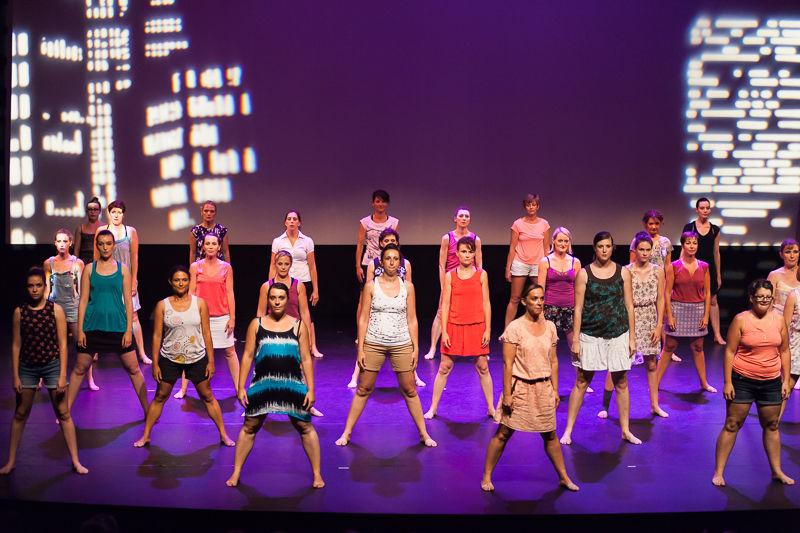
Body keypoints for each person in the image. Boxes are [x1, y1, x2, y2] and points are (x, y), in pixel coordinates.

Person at [335, 244, 436, 447]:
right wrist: (361, 349)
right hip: (374, 342)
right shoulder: (371, 286)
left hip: (401, 343)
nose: (391, 262)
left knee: (410, 390)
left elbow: (412, 319)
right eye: (388, 258)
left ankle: (424, 434)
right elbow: (363, 319)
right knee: (363, 389)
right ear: (381, 262)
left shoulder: (408, 287)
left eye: (395, 259)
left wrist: (415, 347)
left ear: (400, 263)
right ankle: (346, 433)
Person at [226, 282, 324, 488]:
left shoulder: (299, 326)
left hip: (292, 384)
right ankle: (236, 473)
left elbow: (306, 359)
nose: (277, 302)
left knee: (305, 427)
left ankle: (317, 474)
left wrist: (311, 390)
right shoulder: (257, 324)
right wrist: (240, 387)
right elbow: (248, 356)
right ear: (268, 300)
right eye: (273, 298)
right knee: (249, 427)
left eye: (281, 298)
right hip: (263, 384)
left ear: (287, 300)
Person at [481, 284, 578, 492]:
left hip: (543, 388)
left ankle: (563, 477)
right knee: (503, 433)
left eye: (541, 298)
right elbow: (507, 364)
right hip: (520, 388)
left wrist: (555, 390)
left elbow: (554, 361)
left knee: (550, 434)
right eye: (534, 298)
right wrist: (507, 394)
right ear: (524, 301)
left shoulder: (550, 327)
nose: (539, 302)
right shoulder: (515, 327)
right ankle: (486, 476)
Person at [133, 265, 235, 448]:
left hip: (196, 357)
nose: (181, 283)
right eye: (177, 280)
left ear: (189, 281)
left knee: (208, 396)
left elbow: (206, 333)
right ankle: (146, 435)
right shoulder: (163, 305)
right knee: (160, 396)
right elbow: (157, 336)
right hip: (170, 358)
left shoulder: (200, 304)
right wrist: (155, 364)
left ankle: (223, 434)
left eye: (184, 280)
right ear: (170, 282)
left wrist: (211, 361)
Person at [0, 268, 87, 475]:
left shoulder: (55, 310)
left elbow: (63, 344)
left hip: (52, 365)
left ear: (45, 286)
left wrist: (62, 375)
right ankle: (11, 461)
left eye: (38, 285)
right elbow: (16, 345)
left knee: (63, 413)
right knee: (21, 412)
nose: (34, 289)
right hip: (27, 366)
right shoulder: (19, 312)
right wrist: (15, 376)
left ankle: (76, 461)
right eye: (31, 286)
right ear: (26, 288)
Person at [559, 232, 641, 446]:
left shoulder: (623, 272)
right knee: (581, 382)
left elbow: (629, 306)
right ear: (595, 248)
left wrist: (632, 337)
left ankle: (625, 431)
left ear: (613, 248)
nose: (604, 250)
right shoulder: (584, 274)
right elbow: (578, 309)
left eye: (608, 246)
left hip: (618, 333)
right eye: (600, 246)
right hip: (590, 334)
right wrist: (576, 339)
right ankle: (568, 431)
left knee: (621, 382)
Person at [712, 279, 794, 486]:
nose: (764, 300)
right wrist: (728, 382)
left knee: (772, 425)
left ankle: (777, 471)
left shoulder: (779, 320)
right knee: (732, 424)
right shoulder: (741, 320)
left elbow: (785, 350)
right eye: (760, 297)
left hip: (771, 381)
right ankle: (719, 472)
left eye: (768, 297)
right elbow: (730, 351)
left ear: (772, 299)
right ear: (751, 298)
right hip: (743, 380)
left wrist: (785, 380)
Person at [67, 230, 149, 418]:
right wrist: (81, 330)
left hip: (117, 327)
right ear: (97, 246)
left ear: (113, 245)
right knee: (79, 369)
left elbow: (128, 302)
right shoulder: (89, 269)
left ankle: (148, 410)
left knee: (134, 369)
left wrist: (128, 330)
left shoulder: (123, 269)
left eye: (108, 243)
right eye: (101, 244)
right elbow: (83, 301)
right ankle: (64, 413)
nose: (105, 247)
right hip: (92, 327)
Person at [598, 233, 666, 418]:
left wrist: (659, 325)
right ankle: (605, 406)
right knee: (618, 364)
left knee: (651, 364)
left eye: (648, 250)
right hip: (629, 319)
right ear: (635, 250)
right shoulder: (625, 271)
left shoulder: (658, 271)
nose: (644, 253)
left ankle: (655, 405)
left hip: (649, 318)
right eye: (641, 249)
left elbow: (661, 299)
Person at [424, 236, 493, 419]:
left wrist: (487, 329)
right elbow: (445, 305)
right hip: (454, 326)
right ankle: (433, 408)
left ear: (475, 254)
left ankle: (491, 409)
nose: (467, 255)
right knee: (444, 367)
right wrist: (445, 331)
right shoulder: (450, 275)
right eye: (464, 251)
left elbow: (486, 303)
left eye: (470, 251)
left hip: (476, 326)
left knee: (483, 367)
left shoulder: (482, 274)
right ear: (457, 253)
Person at [347, 229, 425, 388]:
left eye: (393, 240)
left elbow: (409, 286)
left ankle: (414, 374)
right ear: (381, 243)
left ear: (398, 243)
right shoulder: (374, 264)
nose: (390, 243)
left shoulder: (405, 263)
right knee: (367, 345)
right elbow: (368, 289)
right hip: (378, 310)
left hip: (398, 308)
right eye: (387, 240)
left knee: (406, 346)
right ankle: (355, 375)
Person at [654, 231, 716, 415]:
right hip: (678, 308)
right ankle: (655, 383)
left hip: (697, 309)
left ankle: (704, 383)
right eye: (688, 243)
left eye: (694, 243)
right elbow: (667, 293)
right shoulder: (674, 266)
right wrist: (670, 315)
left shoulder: (704, 266)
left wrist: (706, 315)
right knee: (669, 347)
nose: (692, 246)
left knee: (698, 347)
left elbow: (707, 293)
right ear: (683, 245)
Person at [257, 250, 324, 417]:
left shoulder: (299, 286)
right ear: (275, 265)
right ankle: (257, 405)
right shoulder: (266, 286)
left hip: (293, 332)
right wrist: (259, 336)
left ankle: (308, 405)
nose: (283, 267)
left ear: (291, 265)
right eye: (280, 264)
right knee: (265, 369)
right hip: (273, 332)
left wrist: (307, 337)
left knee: (300, 369)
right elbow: (260, 313)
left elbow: (305, 313)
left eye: (286, 264)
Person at [178, 234, 240, 399]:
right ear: (203, 246)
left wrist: (232, 317)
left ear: (219, 247)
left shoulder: (226, 268)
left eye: (214, 243)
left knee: (230, 352)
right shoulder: (195, 267)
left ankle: (239, 389)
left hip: (221, 316)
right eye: (208, 243)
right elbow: (191, 291)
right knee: (191, 352)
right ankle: (183, 389)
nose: (211, 246)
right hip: (200, 316)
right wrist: (188, 313)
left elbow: (230, 293)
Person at [423, 207, 483, 360]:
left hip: (469, 280)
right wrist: (444, 286)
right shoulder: (447, 238)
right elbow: (441, 264)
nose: (464, 218)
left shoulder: (475, 239)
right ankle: (433, 348)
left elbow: (479, 265)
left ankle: (478, 349)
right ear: (455, 218)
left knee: (473, 314)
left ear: (469, 219)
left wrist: (478, 283)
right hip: (451, 280)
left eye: (466, 216)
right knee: (441, 312)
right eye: (461, 216)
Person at [96, 200, 151, 364]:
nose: (116, 215)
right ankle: (95, 351)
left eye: (119, 212)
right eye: (113, 212)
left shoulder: (130, 231)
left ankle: (142, 353)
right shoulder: (101, 231)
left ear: (123, 214)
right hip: (106, 279)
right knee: (101, 314)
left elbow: (134, 257)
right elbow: (96, 258)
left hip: (126, 280)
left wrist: (133, 281)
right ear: (109, 213)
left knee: (133, 316)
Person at [537, 227, 590, 393]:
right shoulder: (545, 261)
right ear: (553, 241)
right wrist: (539, 312)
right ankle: (544, 380)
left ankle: (582, 381)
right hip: (550, 308)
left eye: (566, 241)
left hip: (570, 308)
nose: (563, 244)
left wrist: (580, 309)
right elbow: (540, 289)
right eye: (560, 240)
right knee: (547, 346)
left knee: (575, 345)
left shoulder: (575, 262)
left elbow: (579, 288)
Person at [45, 229, 98, 391]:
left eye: (65, 241)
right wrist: (44, 309)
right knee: (50, 344)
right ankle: (42, 377)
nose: (62, 244)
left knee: (82, 343)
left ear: (70, 243)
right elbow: (47, 288)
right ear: (55, 243)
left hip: (73, 306)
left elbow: (82, 289)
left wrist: (84, 310)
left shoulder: (77, 263)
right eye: (59, 241)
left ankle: (90, 378)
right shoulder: (49, 263)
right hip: (54, 306)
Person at [269, 210, 322, 357]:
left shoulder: (307, 241)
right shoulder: (278, 241)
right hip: (283, 282)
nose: (292, 221)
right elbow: (272, 265)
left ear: (299, 222)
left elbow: (312, 266)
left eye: (294, 219)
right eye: (289, 219)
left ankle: (312, 346)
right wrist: (271, 285)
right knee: (283, 312)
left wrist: (315, 289)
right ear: (285, 222)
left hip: (303, 281)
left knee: (308, 314)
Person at [683, 198, 725, 345]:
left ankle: (717, 335)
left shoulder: (714, 229)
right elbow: (684, 249)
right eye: (702, 208)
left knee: (713, 300)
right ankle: (690, 333)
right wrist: (680, 268)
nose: (705, 210)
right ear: (697, 210)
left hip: (709, 269)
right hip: (693, 267)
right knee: (692, 300)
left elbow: (716, 252)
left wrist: (718, 275)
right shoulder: (690, 227)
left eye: (707, 208)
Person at [504, 194, 550, 328]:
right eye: (528, 204)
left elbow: (546, 247)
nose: (531, 207)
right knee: (515, 298)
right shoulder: (518, 224)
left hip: (538, 264)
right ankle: (507, 331)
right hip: (520, 262)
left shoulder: (544, 224)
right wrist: (508, 268)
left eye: (533, 204)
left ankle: (539, 329)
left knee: (539, 299)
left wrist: (548, 267)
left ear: (537, 206)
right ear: (525, 206)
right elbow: (512, 247)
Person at [767, 239, 800, 317]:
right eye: (788, 252)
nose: (792, 256)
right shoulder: (774, 275)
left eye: (795, 252)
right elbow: (768, 303)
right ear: (781, 255)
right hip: (778, 319)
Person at [74, 196, 103, 266]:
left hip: (101, 262)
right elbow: (76, 250)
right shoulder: (80, 228)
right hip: (84, 263)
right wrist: (76, 266)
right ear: (86, 211)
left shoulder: (105, 227)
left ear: (99, 211)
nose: (93, 212)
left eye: (95, 209)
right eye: (90, 209)